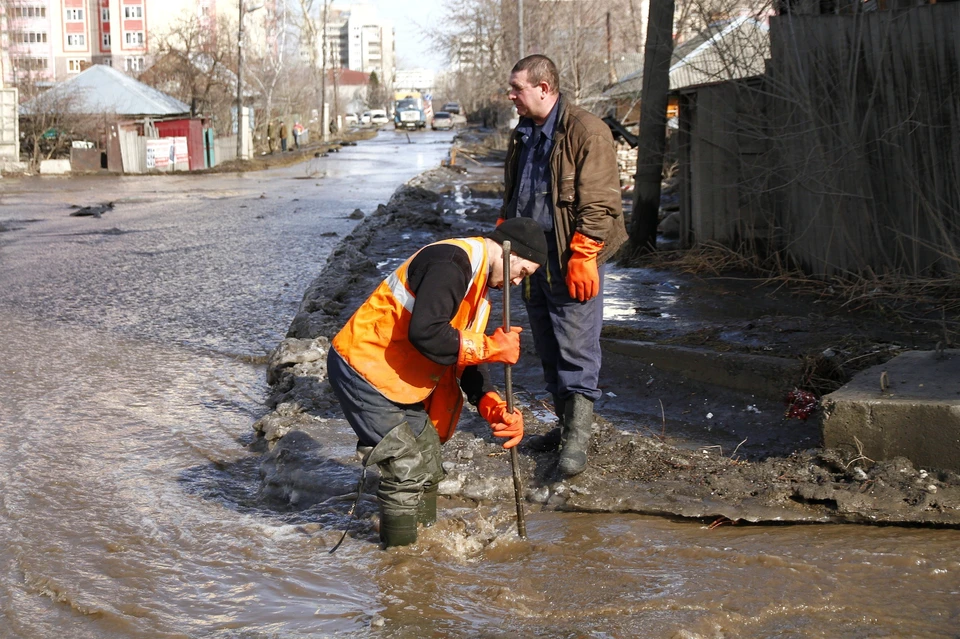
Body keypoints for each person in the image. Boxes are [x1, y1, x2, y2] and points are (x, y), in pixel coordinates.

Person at [327, 217, 548, 547]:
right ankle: (399, 562)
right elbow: (427, 333)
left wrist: (488, 401)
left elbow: (462, 353)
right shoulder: (451, 263)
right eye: (522, 272)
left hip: (399, 378)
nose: (517, 282)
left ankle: (420, 543)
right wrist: (490, 347)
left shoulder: (480, 288)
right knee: (405, 467)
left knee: (428, 462)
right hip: (363, 368)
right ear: (508, 252)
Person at [499, 54, 628, 477]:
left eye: (517, 88)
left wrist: (585, 255)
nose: (511, 96)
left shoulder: (586, 131)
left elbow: (600, 203)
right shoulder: (524, 133)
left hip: (571, 256)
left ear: (544, 88)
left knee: (576, 346)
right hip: (532, 259)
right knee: (549, 347)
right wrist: (504, 235)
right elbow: (517, 192)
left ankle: (576, 442)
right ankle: (564, 426)